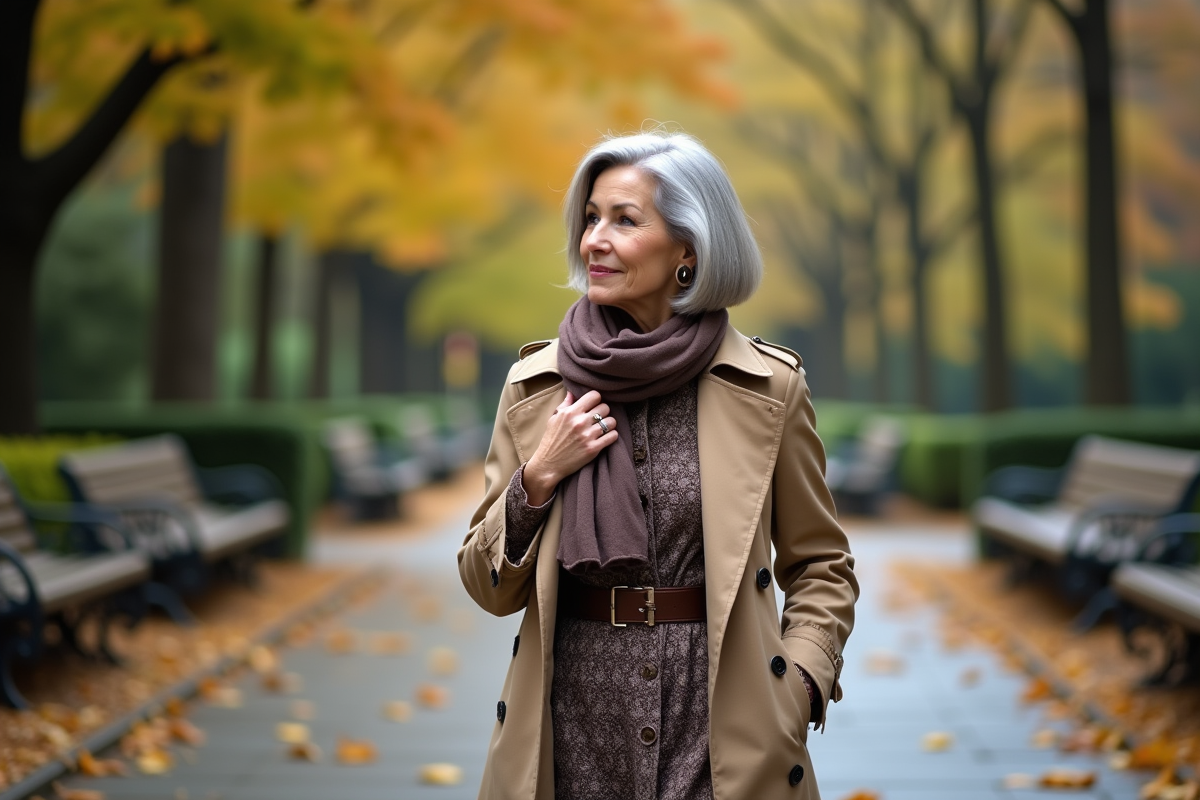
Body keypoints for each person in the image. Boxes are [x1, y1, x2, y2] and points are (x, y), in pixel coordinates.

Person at [458, 129, 858, 800]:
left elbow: (821, 564)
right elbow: (486, 585)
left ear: (688, 250)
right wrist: (539, 478)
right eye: (590, 219)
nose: (594, 240)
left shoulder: (768, 388)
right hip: (571, 720)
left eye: (624, 219)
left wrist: (801, 683)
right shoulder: (536, 388)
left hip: (724, 723)